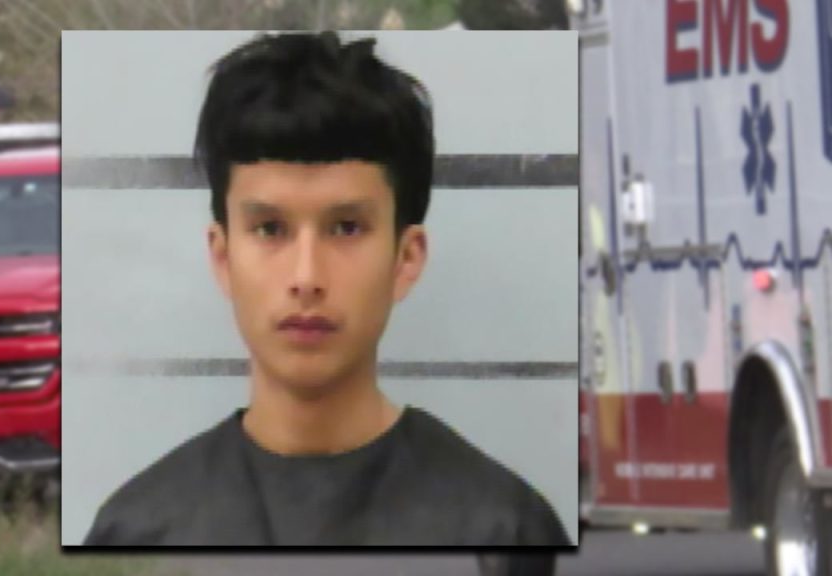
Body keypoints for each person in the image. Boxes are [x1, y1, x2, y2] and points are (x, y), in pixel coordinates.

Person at [83, 31, 570, 547]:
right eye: (270, 229)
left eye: (346, 228)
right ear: (223, 258)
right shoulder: (136, 531)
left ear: (406, 259)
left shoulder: (505, 529)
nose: (306, 277)